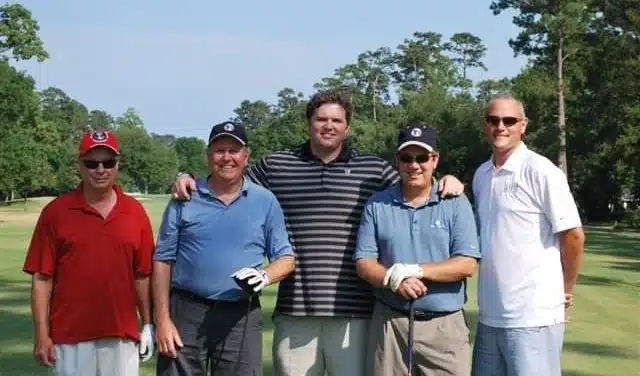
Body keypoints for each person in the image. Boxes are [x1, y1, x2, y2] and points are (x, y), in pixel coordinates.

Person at [171, 90, 466, 376]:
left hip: (355, 311)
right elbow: (228, 178)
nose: (328, 126)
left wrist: (447, 179)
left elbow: (414, 182)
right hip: (296, 309)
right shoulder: (277, 165)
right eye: (321, 119)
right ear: (308, 123)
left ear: (347, 127)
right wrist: (188, 178)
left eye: (336, 121)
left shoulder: (373, 169)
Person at [152, 121, 295, 376]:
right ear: (208, 156)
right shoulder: (185, 198)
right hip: (186, 310)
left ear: (246, 156)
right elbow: (163, 260)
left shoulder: (265, 201)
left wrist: (265, 276)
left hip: (241, 312)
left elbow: (285, 258)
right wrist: (162, 320)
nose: (226, 158)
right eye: (219, 151)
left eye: (234, 150)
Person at [22, 130, 155, 376]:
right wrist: (41, 334)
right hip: (70, 338)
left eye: (108, 162)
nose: (100, 169)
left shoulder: (134, 212)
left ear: (118, 165)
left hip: (121, 335)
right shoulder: (56, 212)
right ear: (80, 166)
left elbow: (143, 275)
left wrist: (148, 324)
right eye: (91, 163)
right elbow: (42, 279)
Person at [471, 93, 586, 376]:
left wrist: (566, 291)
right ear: (485, 125)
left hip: (533, 317)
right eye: (493, 120)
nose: (501, 126)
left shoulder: (542, 171)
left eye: (509, 120)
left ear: (523, 125)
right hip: (489, 318)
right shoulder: (481, 174)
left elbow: (572, 235)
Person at [354, 125, 481, 376]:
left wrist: (415, 270)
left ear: (434, 159)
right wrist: (392, 280)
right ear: (397, 162)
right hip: (391, 324)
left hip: (443, 326)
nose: (414, 165)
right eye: (406, 158)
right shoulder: (377, 203)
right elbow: (364, 261)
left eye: (422, 157)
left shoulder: (455, 202)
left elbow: (467, 263)